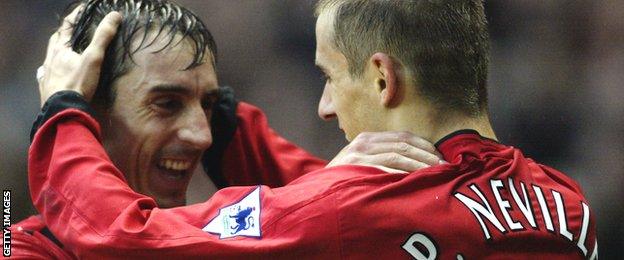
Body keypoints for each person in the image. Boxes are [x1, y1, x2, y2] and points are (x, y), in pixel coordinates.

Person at [27, 0, 598, 259]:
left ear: (381, 79)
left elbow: (127, 239)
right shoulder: (569, 207)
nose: (324, 107)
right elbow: (331, 206)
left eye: (328, 77)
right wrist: (231, 127)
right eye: (168, 103)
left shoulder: (350, 211)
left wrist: (59, 113)